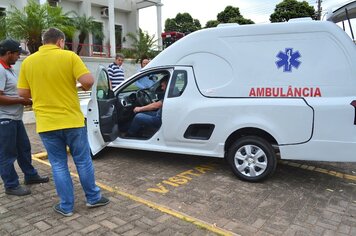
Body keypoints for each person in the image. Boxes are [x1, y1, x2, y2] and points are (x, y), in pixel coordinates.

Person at [18, 28, 109, 217]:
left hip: (46, 124)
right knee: (83, 162)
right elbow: (89, 80)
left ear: (44, 42)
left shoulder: (28, 62)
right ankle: (93, 198)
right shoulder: (69, 57)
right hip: (72, 121)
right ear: (60, 41)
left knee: (58, 165)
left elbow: (23, 94)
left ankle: (66, 206)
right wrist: (80, 85)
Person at [0, 39, 49, 196]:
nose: (18, 57)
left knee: (24, 148)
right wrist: (22, 100)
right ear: (9, 53)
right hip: (4, 119)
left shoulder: (8, 69)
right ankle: (11, 185)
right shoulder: (0, 69)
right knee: (7, 154)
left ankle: (30, 175)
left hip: (14, 118)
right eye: (17, 54)